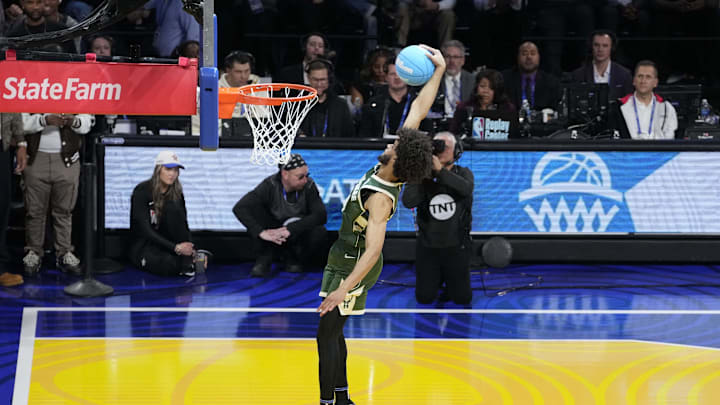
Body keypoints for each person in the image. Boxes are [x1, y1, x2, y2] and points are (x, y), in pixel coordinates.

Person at [315, 44, 445, 405]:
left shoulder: (381, 198)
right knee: (332, 333)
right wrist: (439, 70)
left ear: (398, 158)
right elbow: (418, 108)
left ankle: (331, 401)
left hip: (354, 263)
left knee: (326, 334)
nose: (393, 140)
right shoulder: (393, 161)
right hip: (343, 254)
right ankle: (340, 398)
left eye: (396, 143)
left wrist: (345, 289)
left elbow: (374, 250)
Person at [402, 131, 473, 305]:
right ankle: (439, 278)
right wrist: (423, 173)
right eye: (439, 146)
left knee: (462, 298)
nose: (443, 150)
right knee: (424, 298)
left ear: (457, 151)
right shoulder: (421, 175)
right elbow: (408, 201)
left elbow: (465, 189)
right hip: (428, 246)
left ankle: (449, 280)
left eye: (447, 147)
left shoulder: (463, 173)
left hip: (457, 245)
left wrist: (440, 171)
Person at [21, 112, 94, 276]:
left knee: (64, 210)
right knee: (34, 211)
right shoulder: (30, 88)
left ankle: (64, 252)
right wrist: (43, 120)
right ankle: (33, 251)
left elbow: (87, 123)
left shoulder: (77, 90)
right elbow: (21, 122)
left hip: (67, 160)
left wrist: (73, 121)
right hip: (35, 158)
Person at [233, 154, 327, 277]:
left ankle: (294, 258)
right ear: (285, 174)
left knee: (319, 231)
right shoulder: (269, 185)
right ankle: (265, 257)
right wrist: (261, 232)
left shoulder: (309, 186)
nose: (305, 180)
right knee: (255, 211)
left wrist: (290, 229)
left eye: (307, 176)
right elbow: (240, 208)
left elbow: (321, 215)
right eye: (300, 177)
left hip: (295, 234)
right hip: (273, 231)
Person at [129, 151, 210, 277]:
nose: (172, 174)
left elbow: (183, 224)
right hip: (145, 245)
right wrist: (176, 248)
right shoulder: (142, 191)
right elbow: (145, 230)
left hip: (169, 243)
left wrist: (192, 249)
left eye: (176, 170)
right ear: (158, 170)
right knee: (168, 265)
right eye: (168, 169)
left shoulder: (177, 194)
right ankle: (182, 263)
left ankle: (187, 261)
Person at [617, 60, 677, 140]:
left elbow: (670, 138)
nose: (643, 81)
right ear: (634, 81)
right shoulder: (620, 107)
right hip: (630, 152)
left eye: (648, 77)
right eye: (640, 76)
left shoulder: (666, 107)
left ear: (655, 82)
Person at [299, 59, 356, 138]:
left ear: (329, 79)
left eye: (322, 80)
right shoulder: (299, 104)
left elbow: (350, 136)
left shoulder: (340, 105)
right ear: (308, 79)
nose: (319, 84)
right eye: (315, 80)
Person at [571, 30, 633, 102]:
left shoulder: (624, 75)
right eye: (596, 45)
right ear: (591, 47)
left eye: (605, 46)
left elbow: (629, 103)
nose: (600, 49)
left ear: (612, 48)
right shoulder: (578, 75)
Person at [0, 113, 26, 287]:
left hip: (2, 148)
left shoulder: (5, 85)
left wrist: (21, 143)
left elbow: (13, 106)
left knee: (2, 206)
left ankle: (0, 268)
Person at [450, 68, 515, 135]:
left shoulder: (507, 109)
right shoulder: (464, 108)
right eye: (482, 86)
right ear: (476, 87)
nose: (486, 91)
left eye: (491, 88)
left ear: (498, 90)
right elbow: (453, 134)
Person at [502, 41, 561, 111]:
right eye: (524, 54)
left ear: (539, 57)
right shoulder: (505, 79)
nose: (529, 57)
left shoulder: (551, 82)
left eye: (532, 53)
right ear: (518, 57)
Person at [431, 40, 476, 120]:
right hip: (440, 123)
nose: (452, 61)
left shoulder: (472, 80)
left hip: (464, 123)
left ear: (463, 60)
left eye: (456, 57)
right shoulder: (433, 78)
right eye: (448, 56)